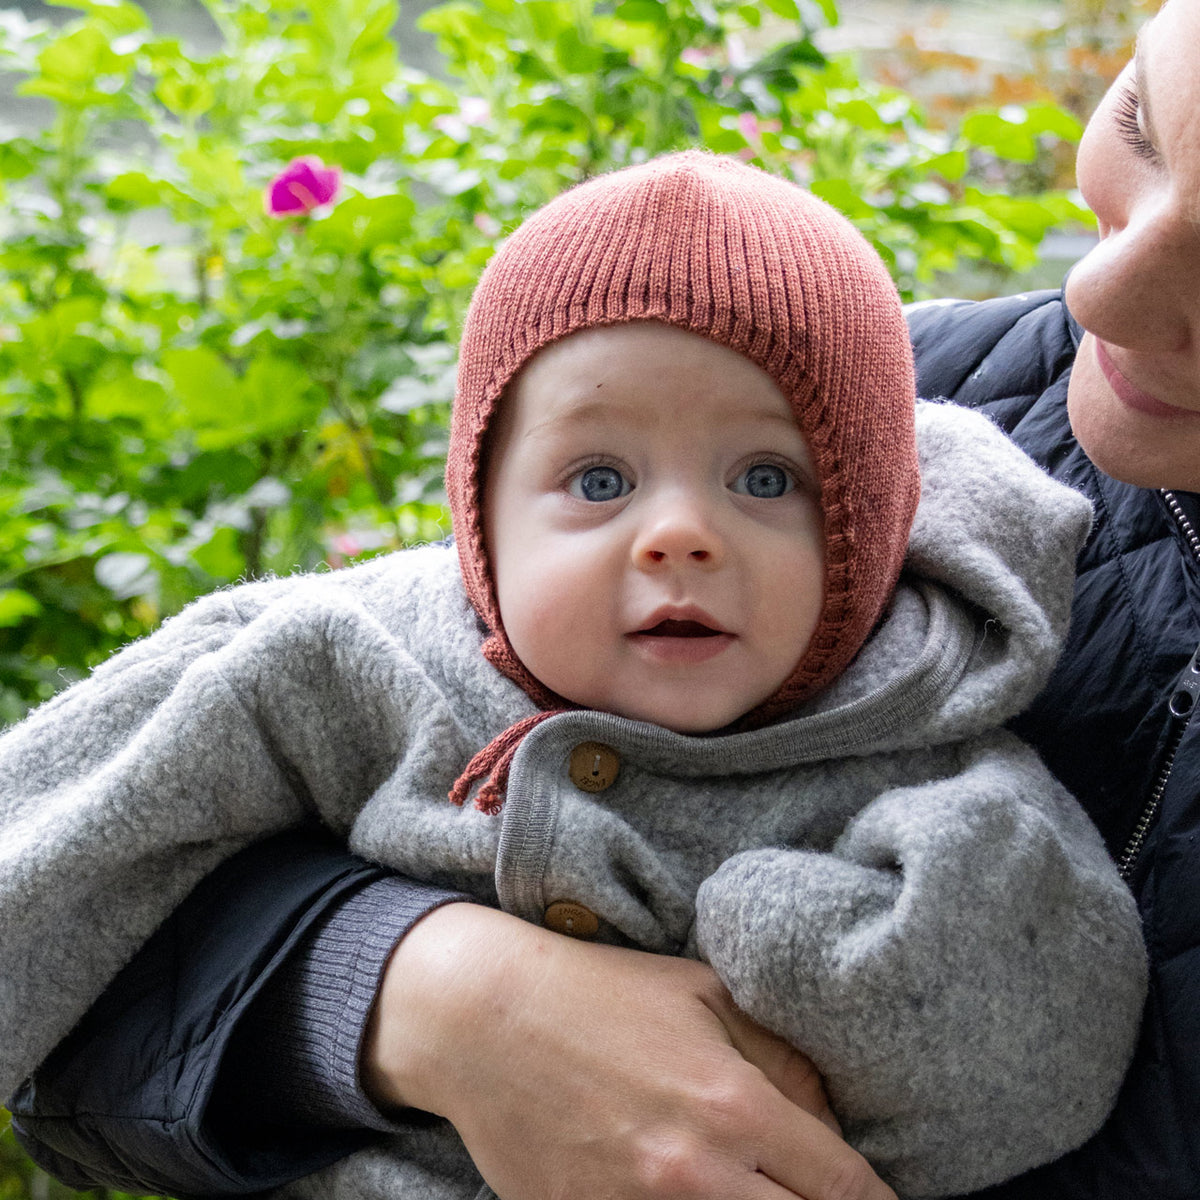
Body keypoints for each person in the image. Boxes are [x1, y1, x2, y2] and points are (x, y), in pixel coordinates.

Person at [7, 0, 1200, 1188]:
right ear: (481, 517)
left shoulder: (939, 761)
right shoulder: (344, 660)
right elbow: (51, 874)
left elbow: (1030, 1077)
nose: (678, 534)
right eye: (596, 479)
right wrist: (404, 989)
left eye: (766, 481)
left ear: (872, 538)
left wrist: (809, 959)